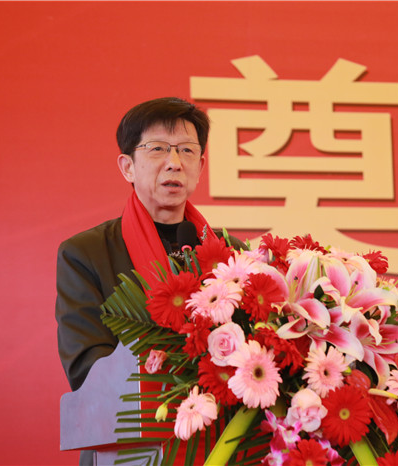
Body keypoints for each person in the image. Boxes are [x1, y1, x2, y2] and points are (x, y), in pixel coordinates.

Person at [55, 97, 244, 465]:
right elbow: (84, 366)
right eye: (158, 148)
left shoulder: (230, 253)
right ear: (127, 166)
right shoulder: (86, 253)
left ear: (200, 166)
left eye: (187, 150)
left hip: (223, 445)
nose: (174, 162)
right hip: (129, 446)